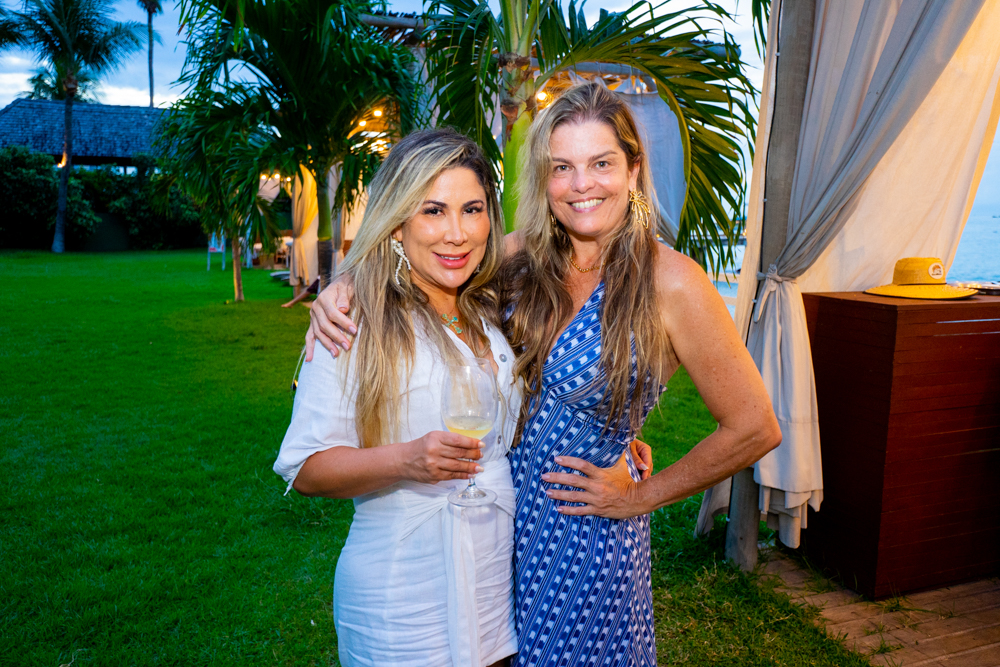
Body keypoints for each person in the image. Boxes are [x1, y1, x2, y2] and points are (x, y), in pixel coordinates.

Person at [307, 83, 781, 666]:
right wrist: (342, 289)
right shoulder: (521, 257)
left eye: (601, 163)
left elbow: (754, 426)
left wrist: (640, 496)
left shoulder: (672, 282)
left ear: (633, 170)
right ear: (544, 178)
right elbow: (424, 256)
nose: (582, 185)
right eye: (562, 167)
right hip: (499, 529)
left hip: (586, 537)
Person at [274, 128, 521, 667]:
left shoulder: (489, 306)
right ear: (396, 222)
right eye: (432, 211)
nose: (456, 233)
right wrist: (407, 461)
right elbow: (306, 467)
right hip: (403, 595)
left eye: (472, 209)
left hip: (496, 585)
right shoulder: (354, 319)